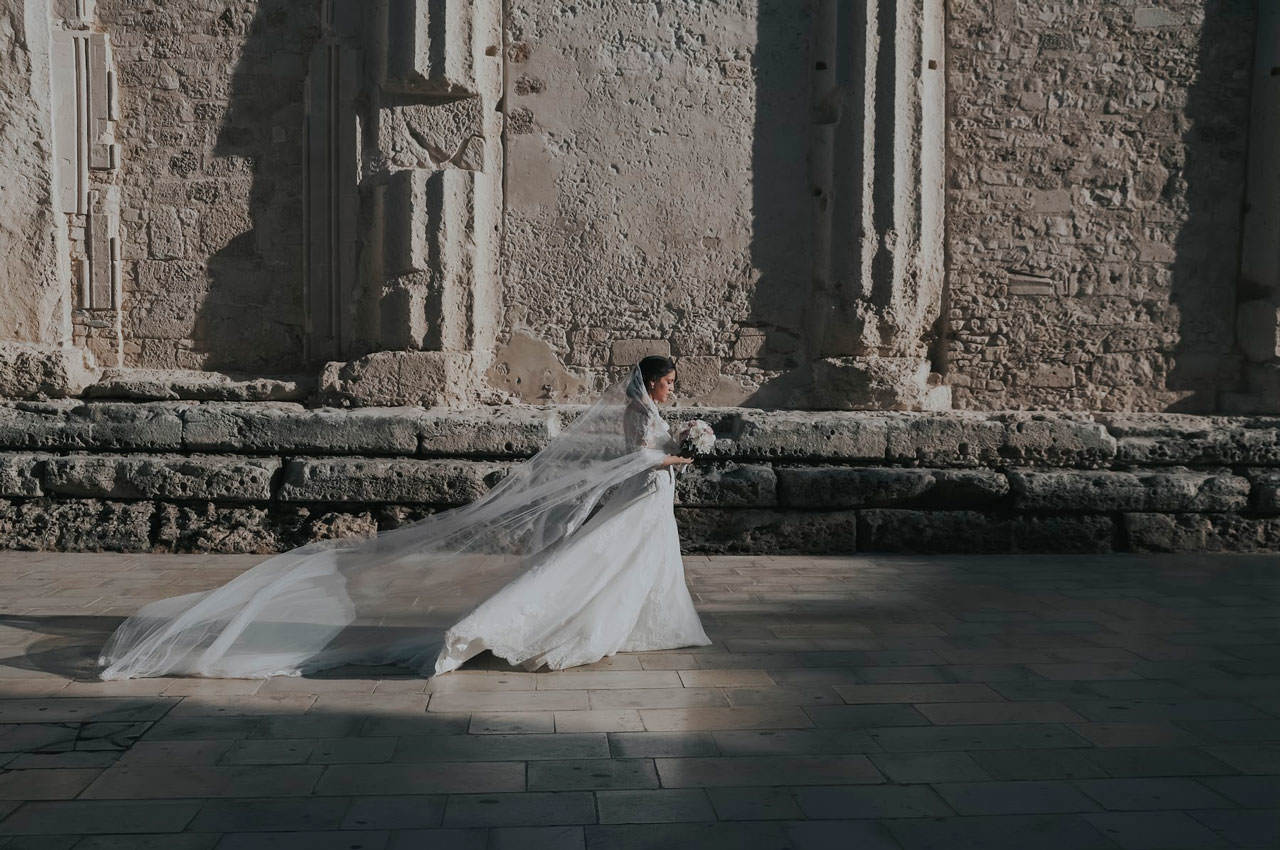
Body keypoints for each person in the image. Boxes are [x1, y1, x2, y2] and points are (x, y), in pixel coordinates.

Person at [98, 355, 710, 679]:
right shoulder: (639, 414)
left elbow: (648, 454)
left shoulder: (649, 411)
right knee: (607, 559)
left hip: (650, 502)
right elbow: (640, 459)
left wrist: (679, 444)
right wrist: (686, 452)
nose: (670, 390)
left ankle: (630, 624)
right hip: (645, 493)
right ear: (652, 382)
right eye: (668, 383)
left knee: (634, 562)